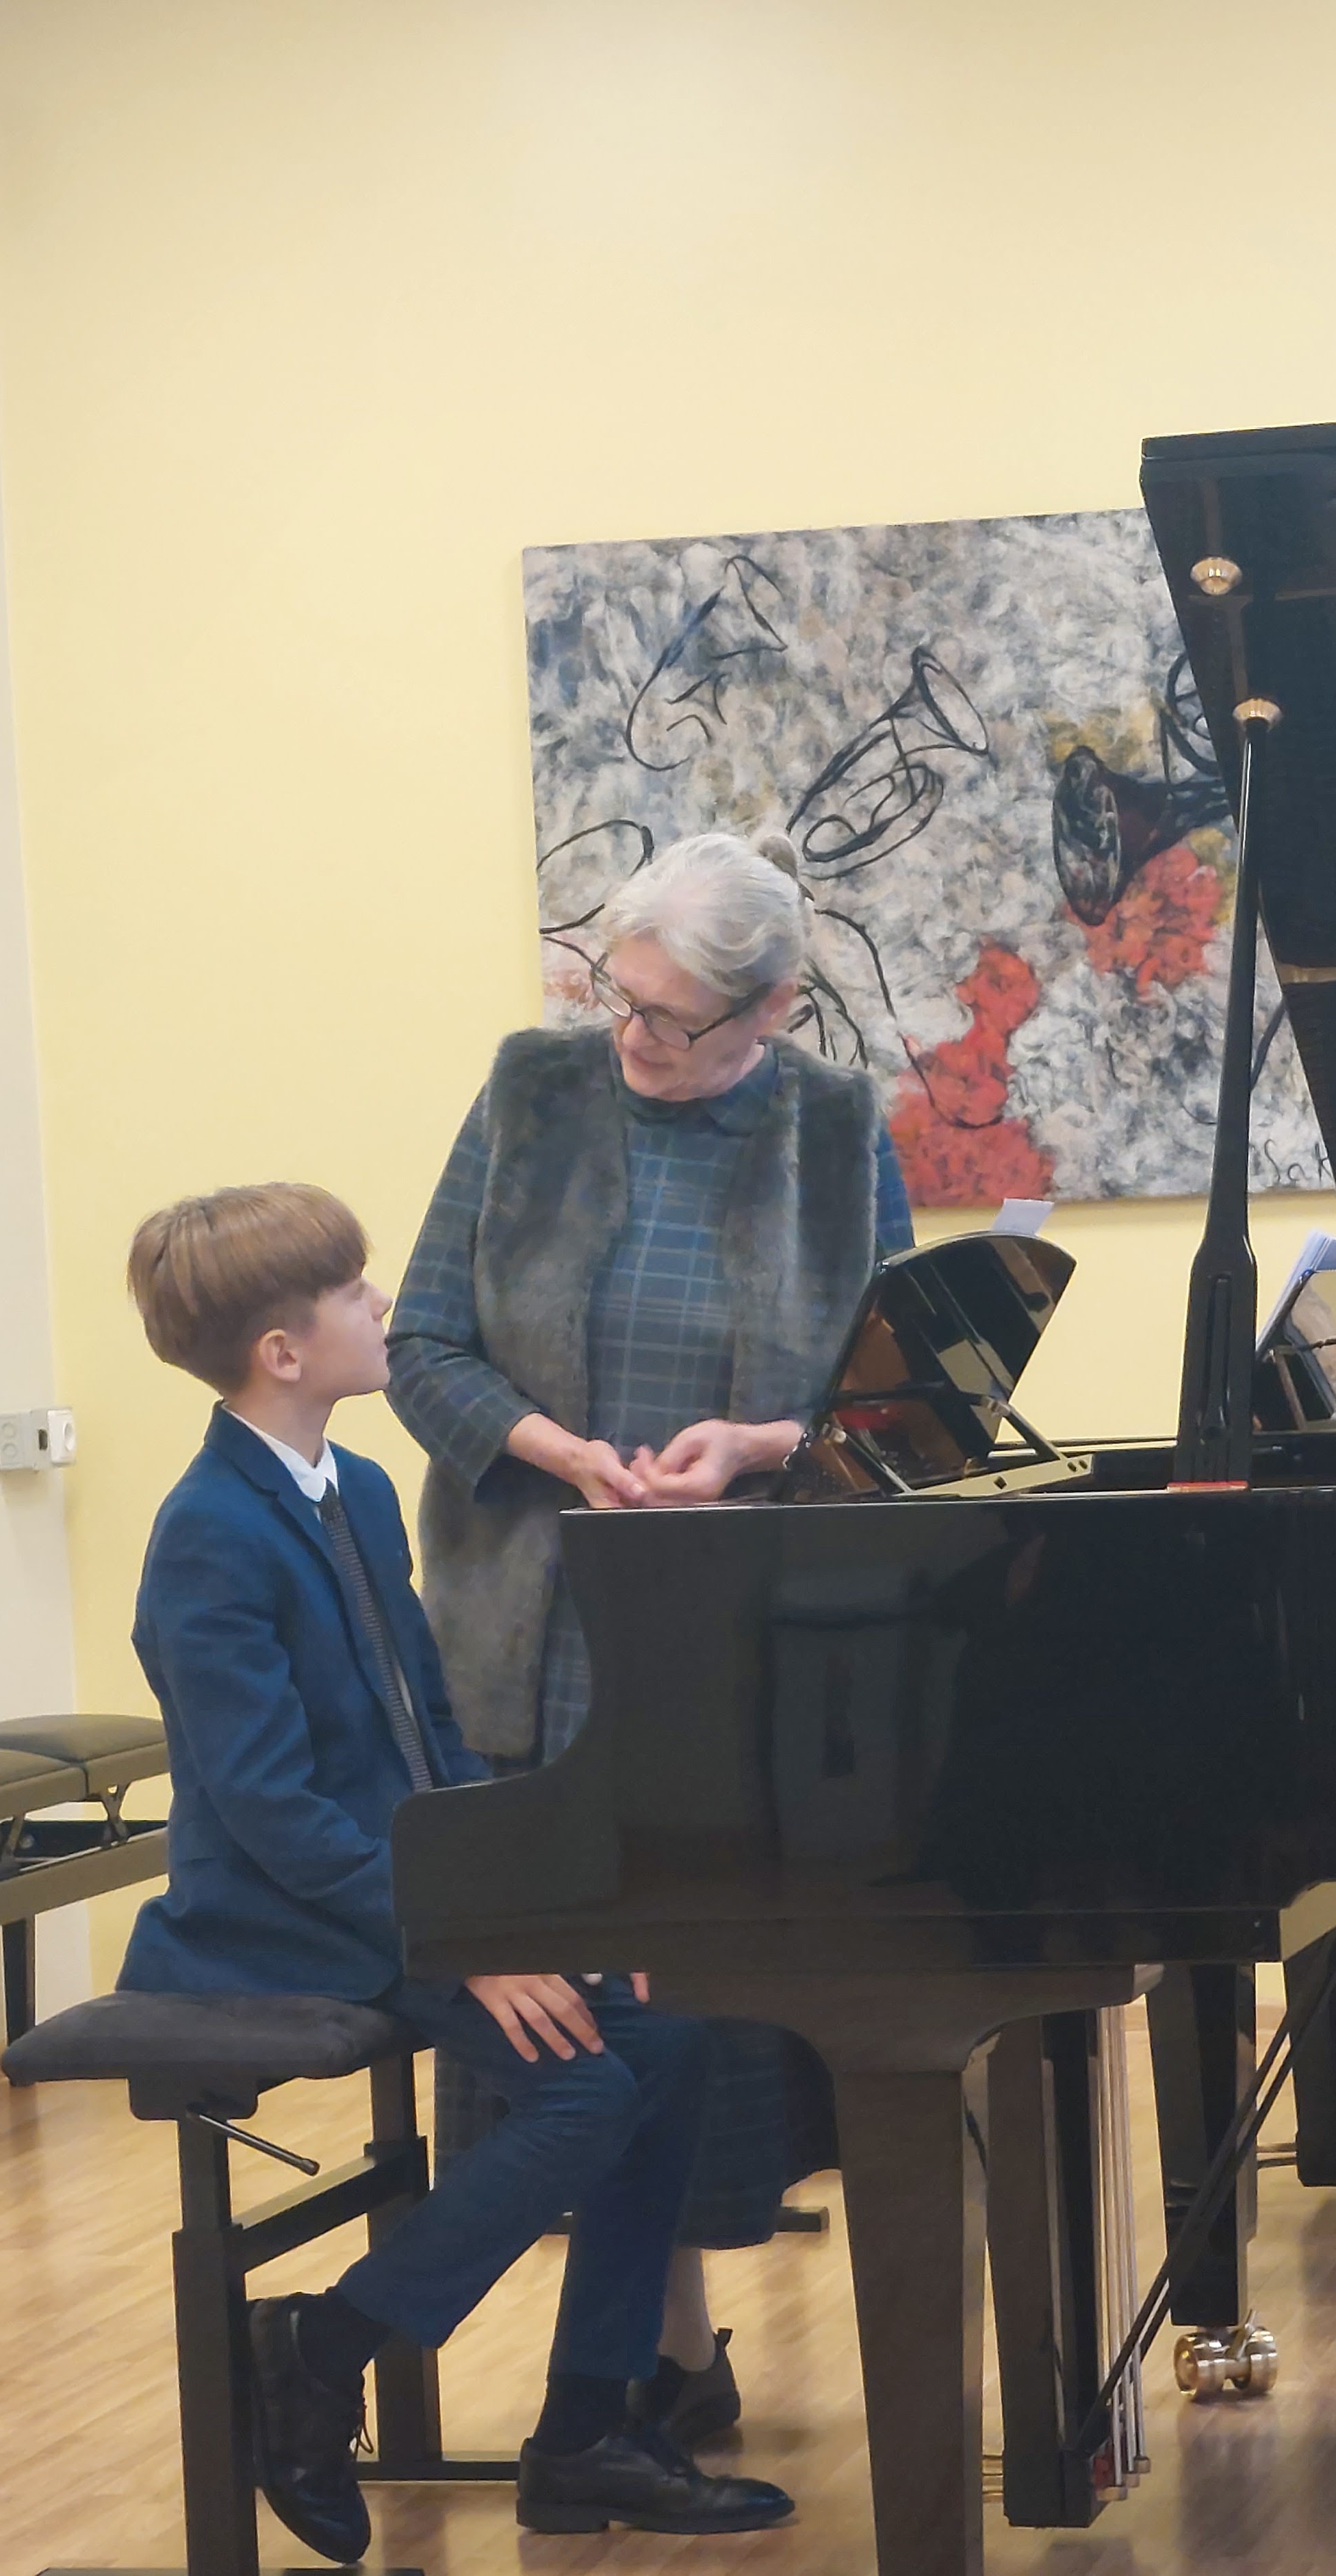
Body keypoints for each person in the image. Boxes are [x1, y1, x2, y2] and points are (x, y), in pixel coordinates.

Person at [118, 1180, 794, 2558]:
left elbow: (431, 1738)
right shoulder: (208, 1532)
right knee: (585, 2083)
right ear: (283, 1352)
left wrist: (539, 1905)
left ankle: (586, 2430)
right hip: (281, 1921)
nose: (383, 1304)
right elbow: (270, 1812)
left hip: (401, 1890)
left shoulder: (360, 1489)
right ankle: (322, 2347)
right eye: (352, 1292)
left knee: (670, 2036)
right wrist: (468, 1938)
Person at [387, 828, 914, 2446]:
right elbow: (421, 1345)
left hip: (739, 1640)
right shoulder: (533, 1089)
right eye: (617, 997)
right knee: (586, 2011)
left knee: (705, 2002)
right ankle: (656, 2363)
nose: (633, 1036)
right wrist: (557, 1449)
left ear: (771, 1011)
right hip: (534, 1627)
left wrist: (755, 1447)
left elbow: (899, 1399)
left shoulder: (836, 1131)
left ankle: (657, 2360)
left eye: (673, 1019)